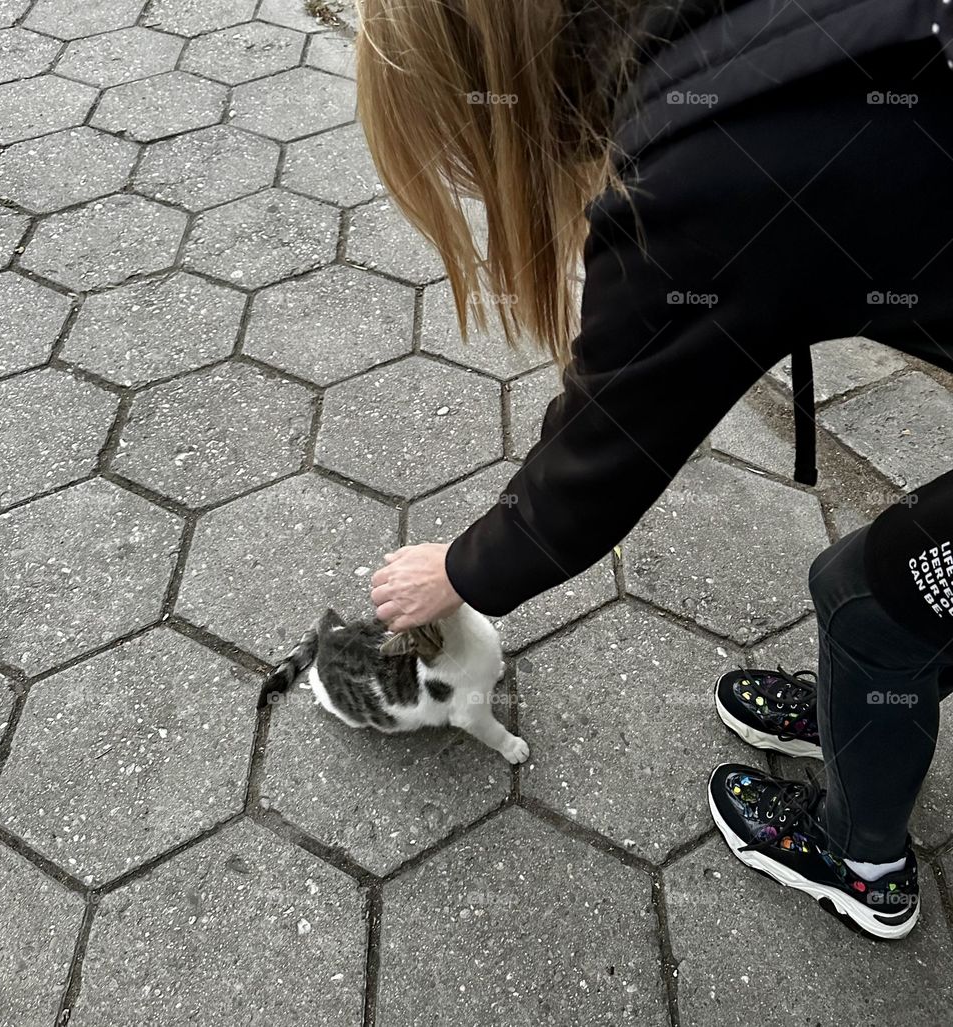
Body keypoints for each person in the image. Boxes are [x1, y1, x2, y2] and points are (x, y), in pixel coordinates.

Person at [360, 0, 953, 939]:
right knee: (915, 605)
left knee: (870, 598)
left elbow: (600, 454)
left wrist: (461, 570)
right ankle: (866, 714)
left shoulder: (696, 177)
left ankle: (863, 859)